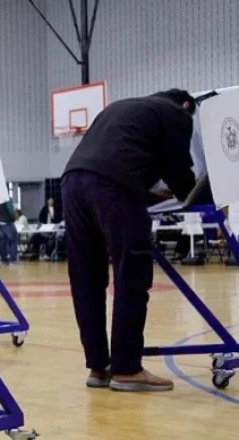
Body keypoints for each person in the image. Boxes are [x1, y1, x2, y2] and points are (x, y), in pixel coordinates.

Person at [61, 88, 198, 392]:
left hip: (72, 183)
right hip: (113, 186)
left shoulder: (126, 108)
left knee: (86, 280)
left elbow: (113, 160)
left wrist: (148, 194)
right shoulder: (177, 114)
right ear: (186, 104)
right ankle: (127, 369)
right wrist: (198, 195)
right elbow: (178, 169)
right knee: (132, 273)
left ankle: (99, 366)